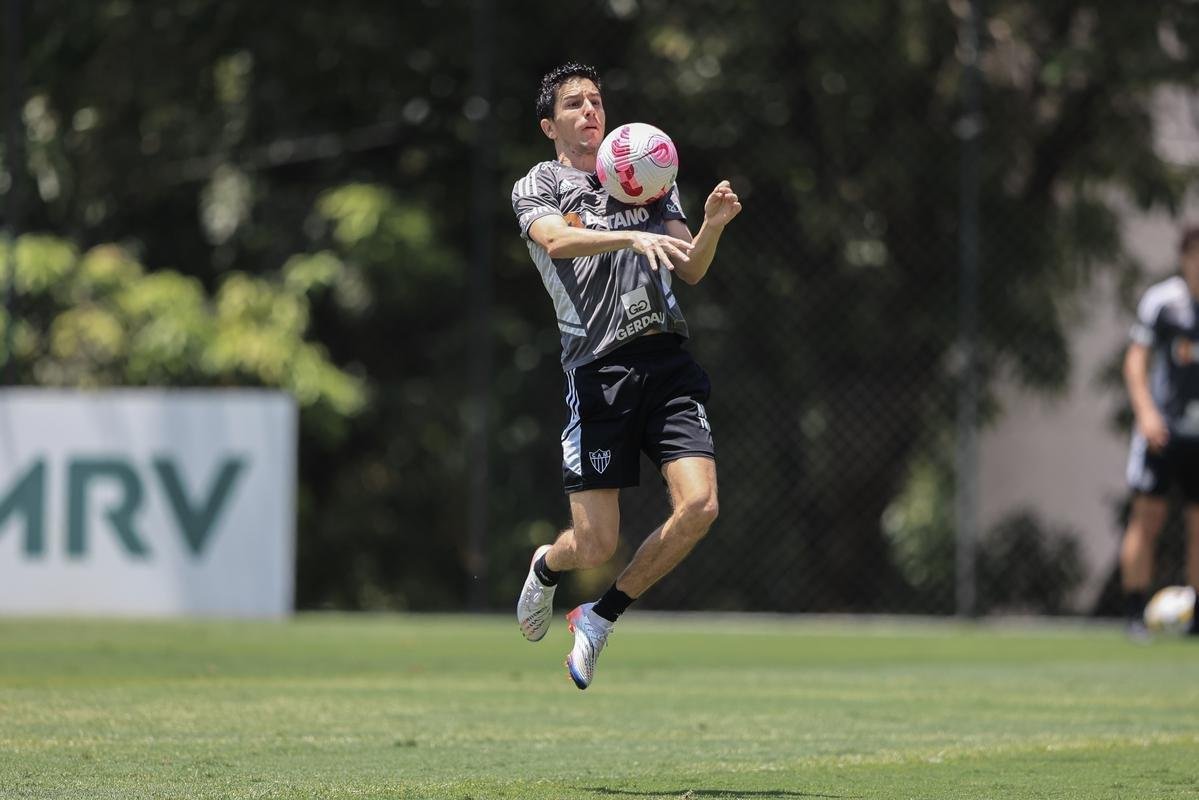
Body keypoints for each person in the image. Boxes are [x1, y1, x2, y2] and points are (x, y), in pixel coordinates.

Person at [510, 62, 741, 688]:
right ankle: (546, 567)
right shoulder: (540, 183)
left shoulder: (646, 169)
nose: (590, 111)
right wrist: (628, 239)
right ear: (549, 126)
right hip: (599, 370)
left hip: (667, 362)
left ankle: (600, 616)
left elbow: (690, 266)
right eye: (574, 104)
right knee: (594, 545)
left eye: (596, 100)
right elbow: (555, 242)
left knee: (701, 506)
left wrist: (712, 226)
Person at [1120, 224, 1199, 638]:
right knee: (1147, 518)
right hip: (1163, 431)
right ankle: (1135, 613)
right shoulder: (1163, 302)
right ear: (1184, 258)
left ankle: (1196, 617)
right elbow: (1136, 361)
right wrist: (1146, 413)